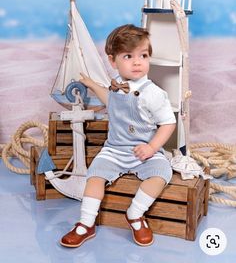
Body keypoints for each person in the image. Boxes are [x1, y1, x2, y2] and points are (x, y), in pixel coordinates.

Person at [60, 24, 176, 248]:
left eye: (143, 55)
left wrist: (152, 148)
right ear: (113, 61)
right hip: (114, 149)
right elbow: (111, 101)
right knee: (94, 177)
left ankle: (135, 214)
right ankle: (86, 224)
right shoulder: (116, 85)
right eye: (128, 56)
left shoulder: (153, 93)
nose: (137, 62)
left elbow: (168, 123)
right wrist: (93, 85)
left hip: (144, 150)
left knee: (161, 173)